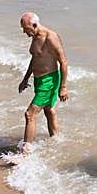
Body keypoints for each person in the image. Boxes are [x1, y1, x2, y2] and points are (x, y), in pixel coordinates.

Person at [17, 12, 68, 150]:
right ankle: (56, 142)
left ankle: (25, 152)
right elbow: (35, 58)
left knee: (29, 114)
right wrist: (25, 78)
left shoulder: (50, 37)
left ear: (34, 25)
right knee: (49, 110)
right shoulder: (34, 36)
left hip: (49, 81)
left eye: (25, 28)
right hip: (39, 80)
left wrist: (63, 87)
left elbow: (63, 61)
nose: (24, 31)